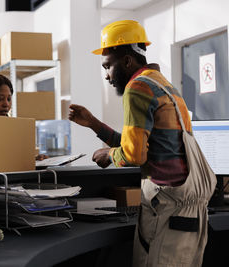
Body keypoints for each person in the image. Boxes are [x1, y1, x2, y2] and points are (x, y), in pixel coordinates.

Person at [69, 20, 215, 266]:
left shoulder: (136, 88)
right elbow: (141, 144)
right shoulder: (162, 84)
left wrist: (109, 156)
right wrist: (94, 123)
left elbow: (134, 155)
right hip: (190, 207)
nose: (106, 75)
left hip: (168, 206)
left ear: (126, 61)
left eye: (108, 66)